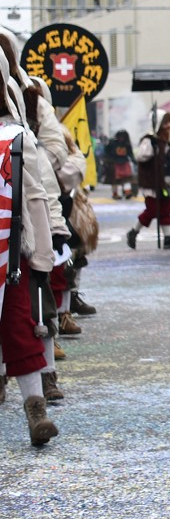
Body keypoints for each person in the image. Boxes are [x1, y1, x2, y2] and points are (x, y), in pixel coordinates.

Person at [0, 38, 60, 445]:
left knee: (20, 328)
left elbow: (38, 191)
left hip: (9, 253)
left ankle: (35, 410)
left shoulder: (15, 135)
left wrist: (45, 248)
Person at [126, 111, 170, 250]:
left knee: (165, 209)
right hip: (152, 182)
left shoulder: (166, 140)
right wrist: (153, 146)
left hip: (165, 181)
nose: (169, 125)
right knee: (152, 209)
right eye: (165, 122)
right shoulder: (149, 140)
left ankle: (168, 238)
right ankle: (133, 232)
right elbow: (140, 156)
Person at [106, 130, 136, 199]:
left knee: (126, 179)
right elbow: (107, 152)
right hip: (115, 163)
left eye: (123, 137)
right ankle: (115, 193)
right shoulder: (113, 143)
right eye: (120, 136)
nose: (121, 138)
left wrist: (134, 161)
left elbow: (130, 154)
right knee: (114, 180)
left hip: (124, 163)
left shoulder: (126, 144)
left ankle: (127, 192)